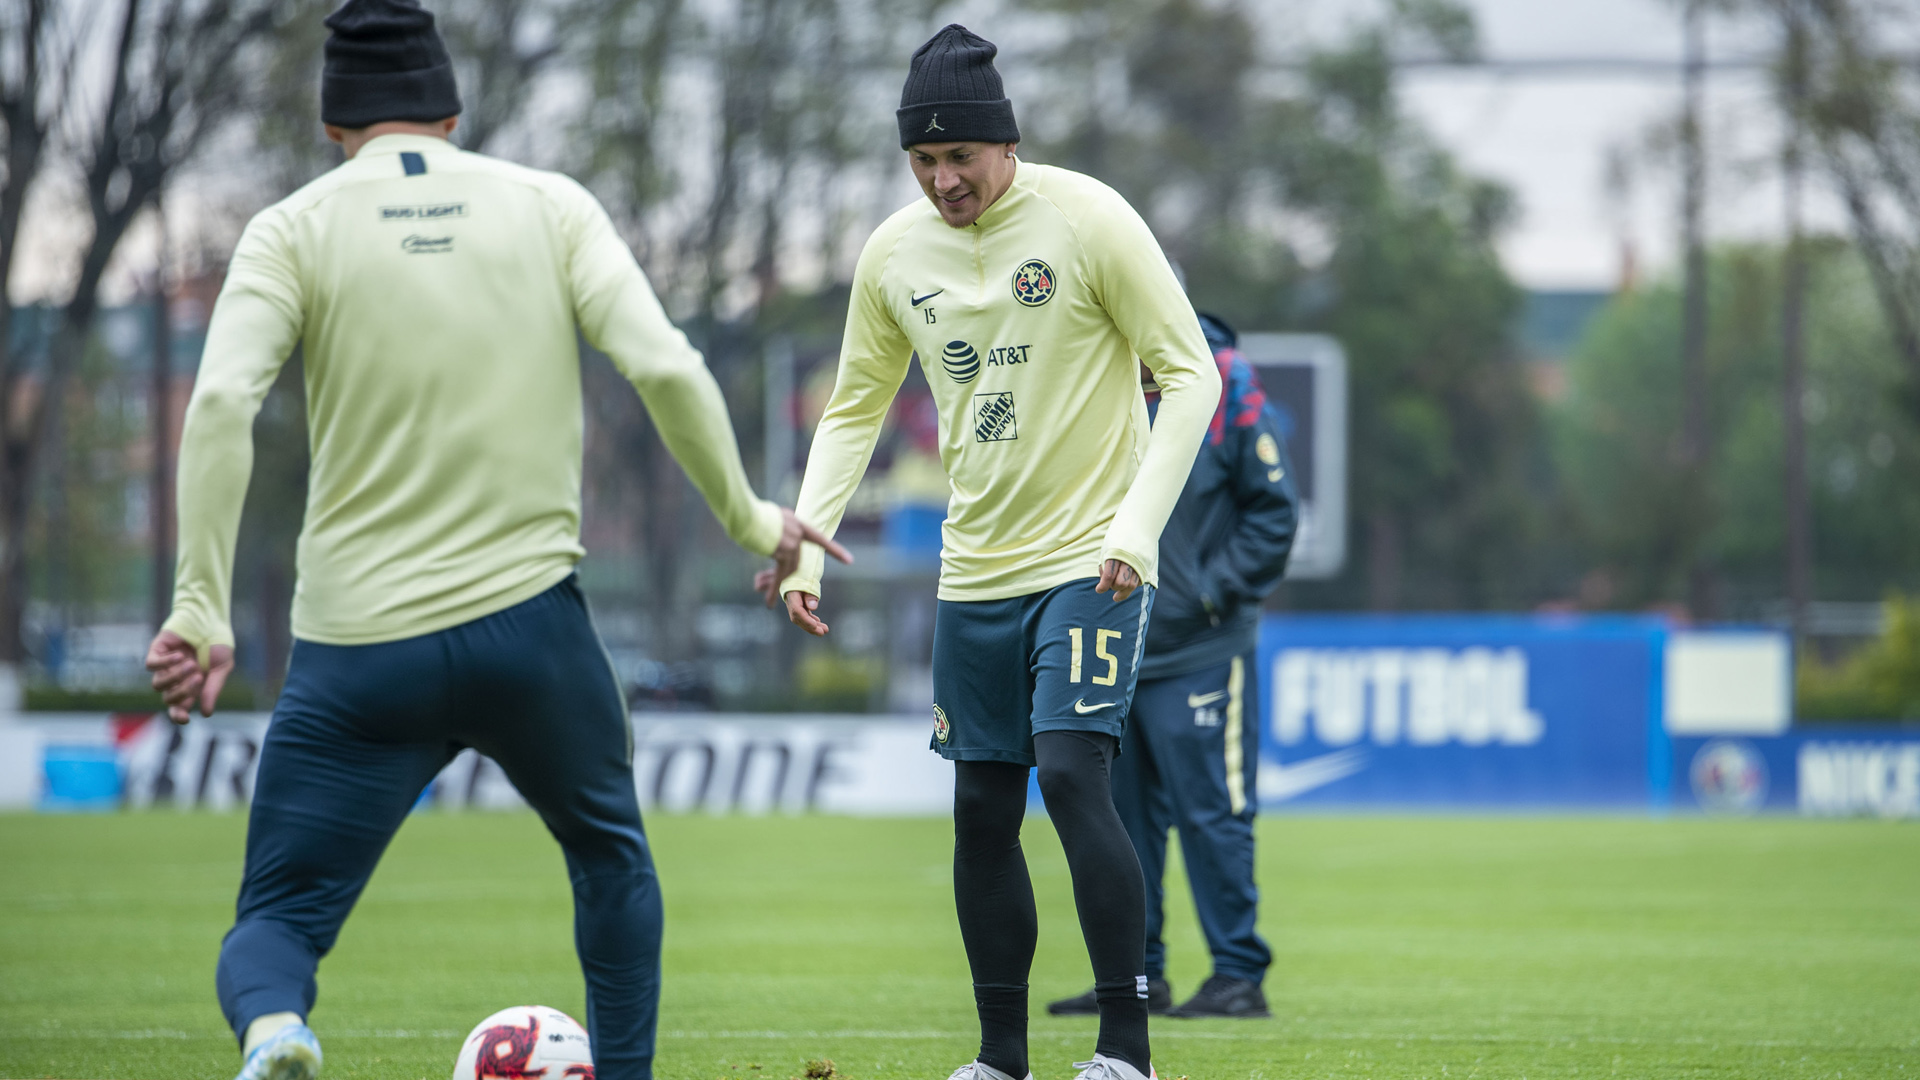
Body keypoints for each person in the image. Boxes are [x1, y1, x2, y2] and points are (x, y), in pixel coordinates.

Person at [142, 4, 846, 1080]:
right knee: (611, 861)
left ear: (335, 125)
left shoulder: (294, 227)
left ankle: (279, 1031)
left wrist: (201, 605)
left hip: (359, 649)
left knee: (277, 918)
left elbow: (224, 404)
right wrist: (756, 520)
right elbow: (662, 365)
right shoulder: (547, 206)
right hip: (533, 634)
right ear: (453, 111)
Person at [759, 24, 1220, 1080]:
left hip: (1090, 562)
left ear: (1005, 145)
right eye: (922, 162)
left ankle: (1124, 1051)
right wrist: (806, 551)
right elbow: (853, 410)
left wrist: (1135, 529)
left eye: (959, 157)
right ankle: (1000, 1058)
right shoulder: (891, 253)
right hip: (975, 575)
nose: (941, 181)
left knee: (1070, 774)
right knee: (979, 807)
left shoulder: (1089, 218)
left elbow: (1190, 374)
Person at [1046, 313, 1297, 1021]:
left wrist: (1210, 591)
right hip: (1113, 641)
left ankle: (1237, 976)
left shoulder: (1226, 379)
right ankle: (1134, 978)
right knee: (1118, 818)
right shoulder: (1091, 362)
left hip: (1201, 649)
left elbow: (1274, 512)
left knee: (1213, 811)